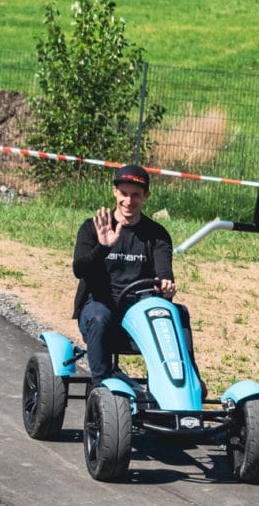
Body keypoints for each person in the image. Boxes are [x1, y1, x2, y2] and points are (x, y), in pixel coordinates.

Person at [72, 164, 192, 385]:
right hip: (98, 306)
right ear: (114, 191)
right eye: (124, 193)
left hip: (139, 311)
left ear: (146, 196)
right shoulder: (93, 227)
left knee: (179, 312)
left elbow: (164, 271)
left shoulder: (157, 234)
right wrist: (103, 247)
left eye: (136, 195)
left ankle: (186, 380)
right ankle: (101, 387)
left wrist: (166, 286)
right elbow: (78, 269)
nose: (129, 201)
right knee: (99, 317)